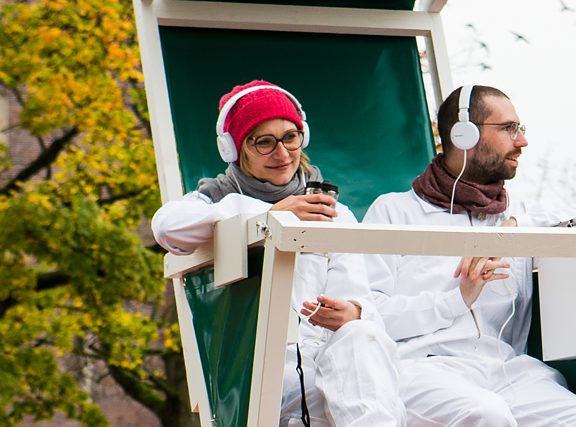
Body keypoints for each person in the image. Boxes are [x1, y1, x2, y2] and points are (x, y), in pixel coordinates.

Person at [362, 85, 576, 426]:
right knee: (487, 415)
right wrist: (454, 300)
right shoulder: (393, 211)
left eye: (520, 128)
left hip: (510, 374)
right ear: (464, 134)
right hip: (421, 369)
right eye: (508, 129)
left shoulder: (520, 211)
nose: (522, 141)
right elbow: (371, 314)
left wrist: (512, 230)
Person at [151, 80, 404, 427]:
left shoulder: (333, 212)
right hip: (258, 374)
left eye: (290, 137)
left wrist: (352, 311)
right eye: (264, 142)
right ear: (235, 149)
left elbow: (360, 300)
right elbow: (166, 227)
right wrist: (267, 219)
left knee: (362, 335)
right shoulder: (216, 201)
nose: (282, 153)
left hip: (336, 367)